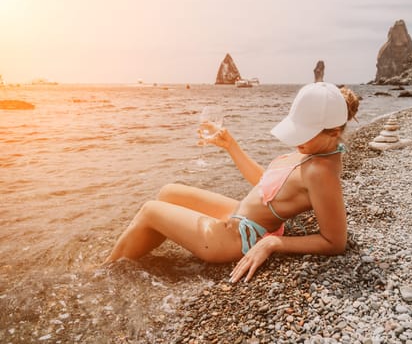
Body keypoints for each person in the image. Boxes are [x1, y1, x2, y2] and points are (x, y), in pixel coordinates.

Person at [104, 82, 360, 283]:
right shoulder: (315, 150)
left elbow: (334, 242)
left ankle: (106, 271)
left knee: (150, 210)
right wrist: (231, 146)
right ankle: (135, 254)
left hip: (239, 238)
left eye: (303, 133)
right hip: (244, 218)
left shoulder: (321, 171)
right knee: (168, 192)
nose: (296, 140)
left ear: (334, 132)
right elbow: (267, 184)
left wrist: (272, 244)